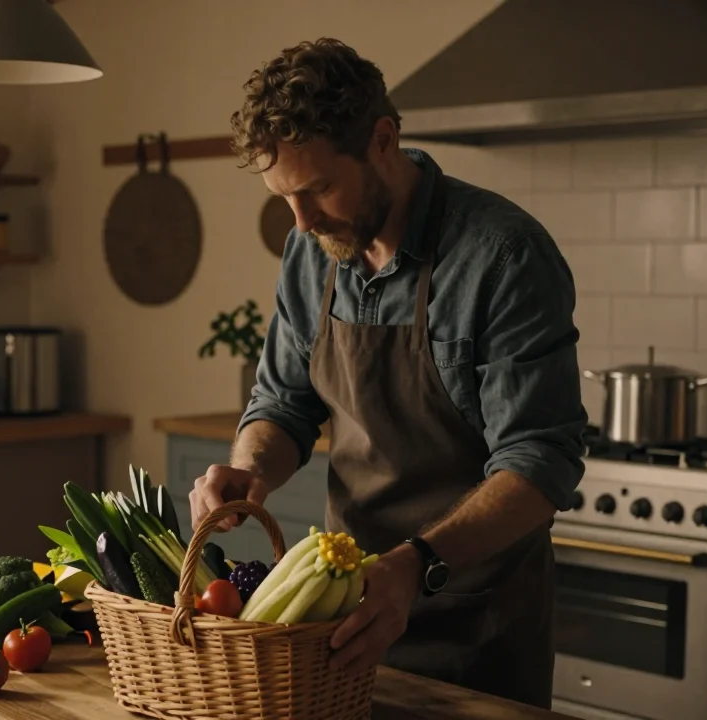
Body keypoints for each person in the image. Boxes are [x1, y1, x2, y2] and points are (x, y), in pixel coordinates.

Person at [188, 38, 587, 709]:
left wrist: (414, 565)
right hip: (339, 624)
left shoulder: (503, 255)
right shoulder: (310, 250)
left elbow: (541, 461)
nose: (302, 221)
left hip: (478, 632)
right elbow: (283, 405)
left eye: (316, 188)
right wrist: (252, 467)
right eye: (285, 198)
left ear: (382, 140)